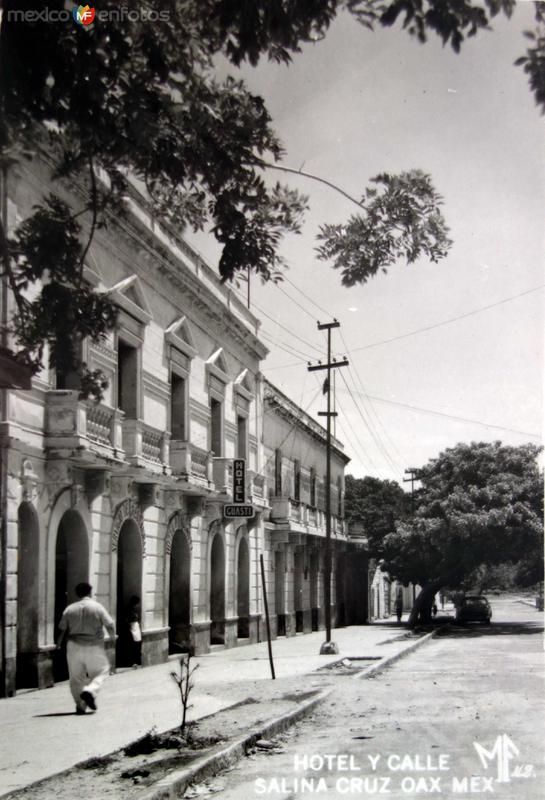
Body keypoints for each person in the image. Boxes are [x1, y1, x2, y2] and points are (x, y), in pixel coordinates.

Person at [56, 582, 115, 714]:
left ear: (77, 593)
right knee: (102, 671)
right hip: (93, 645)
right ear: (90, 592)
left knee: (76, 677)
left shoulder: (69, 609)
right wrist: (112, 638)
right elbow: (110, 624)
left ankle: (80, 705)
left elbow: (62, 629)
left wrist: (58, 643)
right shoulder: (97, 607)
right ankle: (90, 690)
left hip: (73, 645)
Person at [126, 595, 142, 668]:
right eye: (137, 603)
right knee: (133, 644)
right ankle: (133, 661)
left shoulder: (133, 610)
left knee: (137, 644)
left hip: (135, 627)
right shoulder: (130, 610)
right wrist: (129, 625)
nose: (138, 605)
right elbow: (127, 619)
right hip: (132, 627)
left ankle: (137, 660)